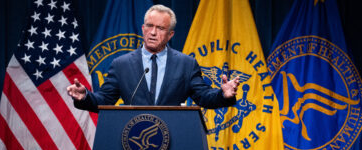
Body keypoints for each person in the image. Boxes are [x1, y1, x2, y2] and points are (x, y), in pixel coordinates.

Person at [67, 4, 240, 112]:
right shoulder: (121, 65)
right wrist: (86, 98)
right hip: (133, 140)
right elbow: (105, 100)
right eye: (149, 26)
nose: (153, 32)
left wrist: (223, 95)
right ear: (143, 28)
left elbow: (203, 96)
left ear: (170, 34)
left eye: (160, 28)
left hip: (173, 142)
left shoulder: (186, 64)